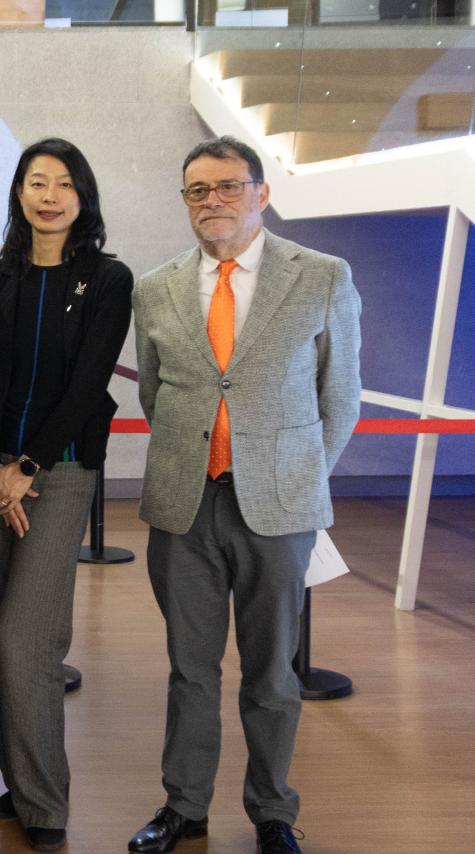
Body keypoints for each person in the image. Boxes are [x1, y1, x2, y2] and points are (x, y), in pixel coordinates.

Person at [128, 136, 360, 854]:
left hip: (279, 506)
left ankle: (272, 813)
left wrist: (296, 475)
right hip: (184, 505)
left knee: (271, 671)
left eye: (228, 186)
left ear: (261, 193)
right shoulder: (156, 287)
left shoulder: (321, 277)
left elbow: (340, 396)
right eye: (198, 190)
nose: (213, 202)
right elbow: (153, 391)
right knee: (189, 669)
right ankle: (184, 807)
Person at [0, 139, 133, 853]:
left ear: (82, 198)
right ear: (19, 194)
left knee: (25, 638)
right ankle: (20, 778)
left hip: (57, 476)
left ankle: (46, 803)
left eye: (64, 184)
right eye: (36, 182)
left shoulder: (108, 279)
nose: (49, 195)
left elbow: (89, 383)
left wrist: (26, 467)